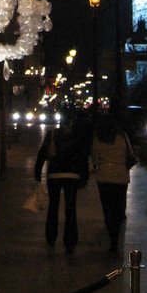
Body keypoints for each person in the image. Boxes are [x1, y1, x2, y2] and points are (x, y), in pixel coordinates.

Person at [34, 108, 90, 253]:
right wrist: (84, 176)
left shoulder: (52, 134)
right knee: (71, 209)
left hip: (54, 174)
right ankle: (70, 241)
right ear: (72, 121)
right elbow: (83, 158)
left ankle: (51, 237)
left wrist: (38, 173)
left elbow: (42, 154)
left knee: (53, 206)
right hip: (72, 175)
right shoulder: (78, 136)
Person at [91, 112, 137, 252]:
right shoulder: (122, 136)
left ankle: (110, 230)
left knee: (107, 207)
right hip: (120, 176)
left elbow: (94, 157)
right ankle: (115, 236)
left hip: (104, 176)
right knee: (118, 207)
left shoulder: (98, 138)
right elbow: (130, 154)